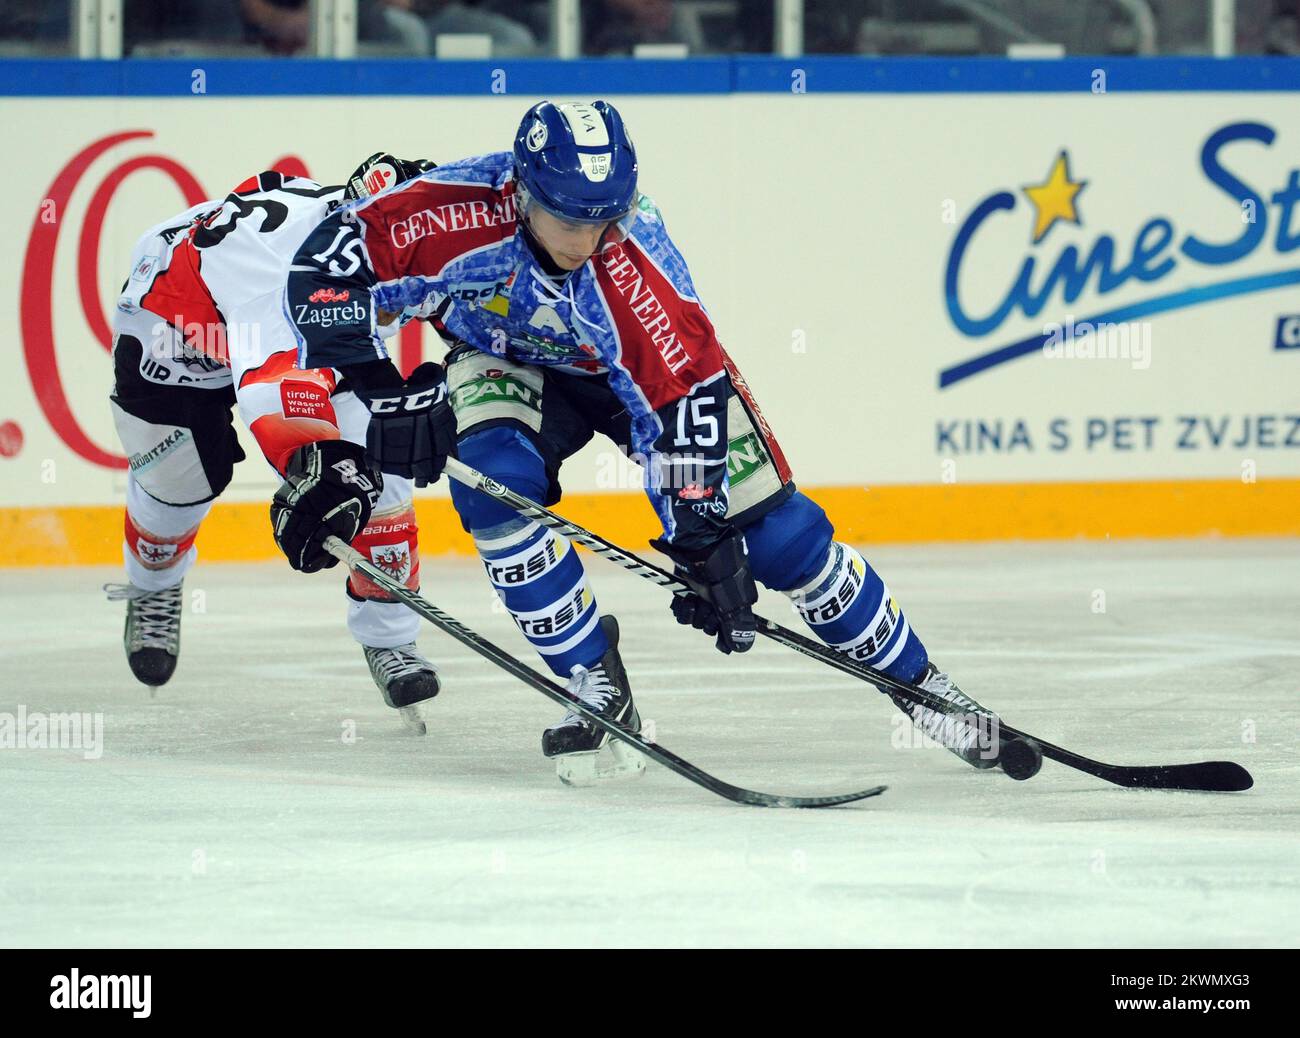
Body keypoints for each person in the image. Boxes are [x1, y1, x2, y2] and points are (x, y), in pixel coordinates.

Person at [282, 101, 1004, 779]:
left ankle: (924, 687)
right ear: (521, 193)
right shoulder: (448, 209)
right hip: (505, 357)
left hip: (640, 383)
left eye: (605, 217)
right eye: (568, 219)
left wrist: (698, 530)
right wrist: (382, 388)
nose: (588, 239)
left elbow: (685, 391)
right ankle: (590, 675)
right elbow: (318, 275)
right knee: (495, 488)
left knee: (782, 540)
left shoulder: (635, 261)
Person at [104, 154, 453, 733]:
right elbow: (274, 394)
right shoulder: (289, 283)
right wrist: (321, 465)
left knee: (383, 461)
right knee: (181, 486)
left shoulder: (392, 236)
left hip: (292, 323)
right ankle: (153, 586)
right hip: (174, 333)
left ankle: (391, 639)